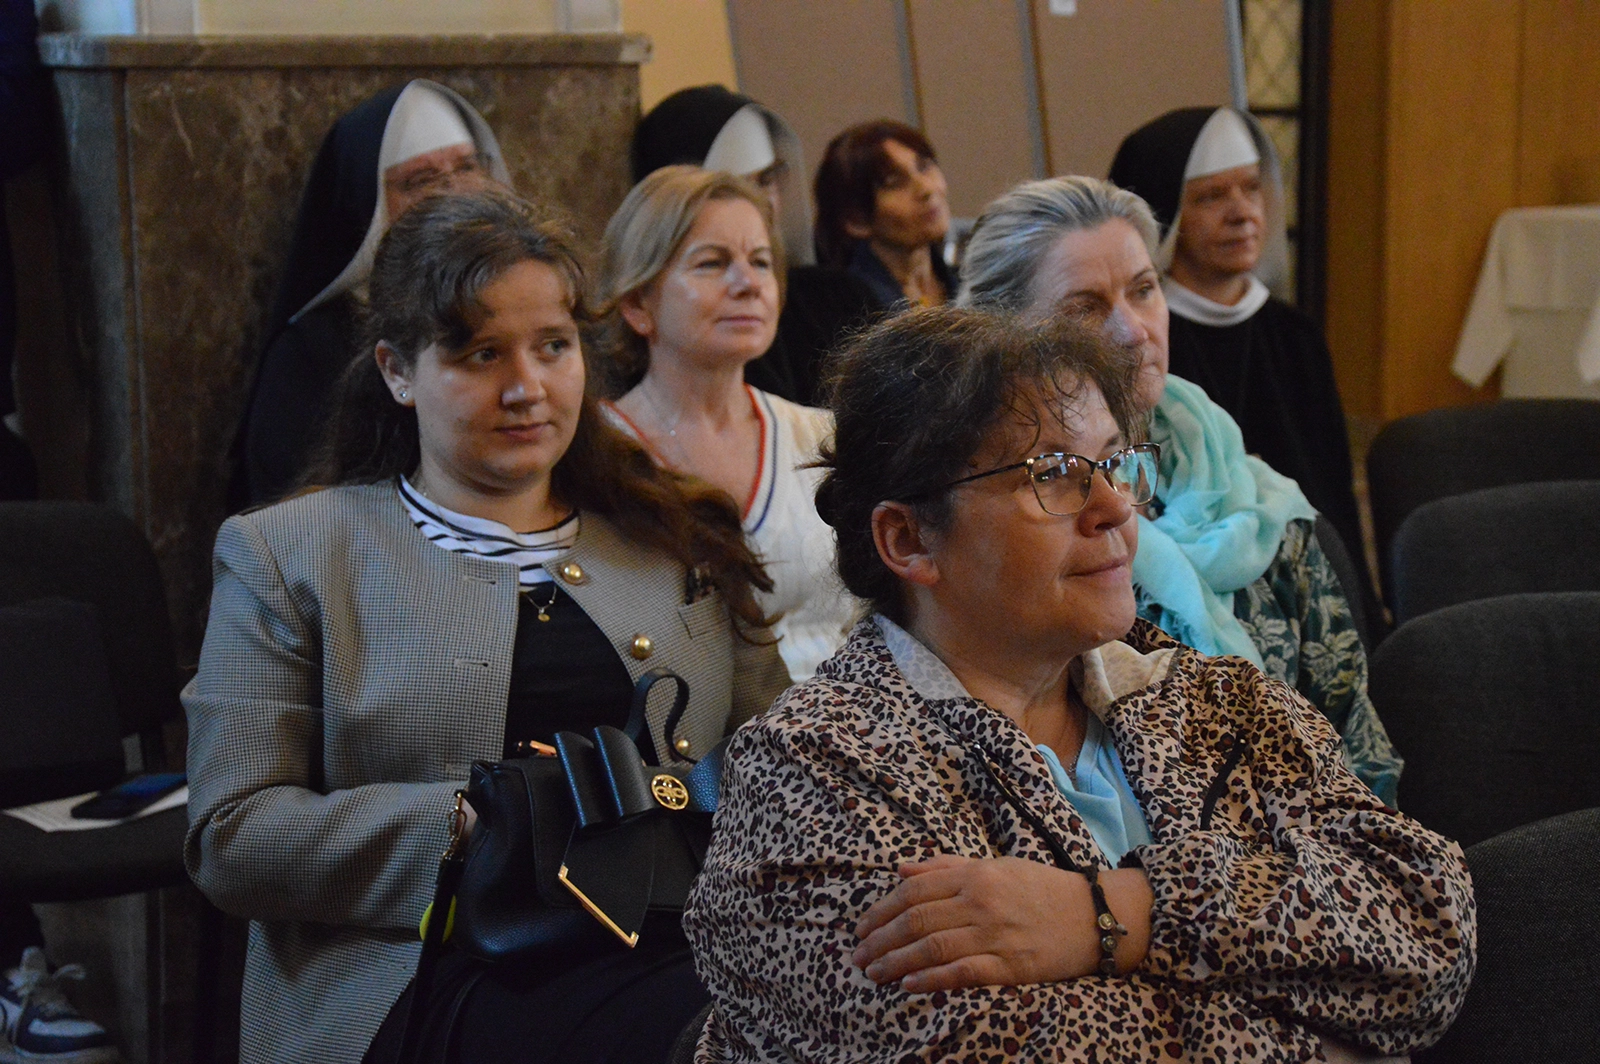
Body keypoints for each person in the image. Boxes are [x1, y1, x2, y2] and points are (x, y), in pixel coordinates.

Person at [684, 306, 1475, 1062]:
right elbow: (972, 1051)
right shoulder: (811, 773)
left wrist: (1118, 912)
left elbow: (1426, 924)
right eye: (1055, 474)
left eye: (1116, 464)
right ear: (908, 539)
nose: (1114, 508)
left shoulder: (1219, 700)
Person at [184, 189, 790, 1064]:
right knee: (711, 1033)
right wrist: (476, 824)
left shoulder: (678, 537)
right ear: (397, 371)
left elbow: (779, 759)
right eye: (480, 354)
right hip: (424, 962)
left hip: (685, 928)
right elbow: (232, 836)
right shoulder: (290, 556)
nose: (527, 388)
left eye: (553, 346)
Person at [957, 176, 1402, 805]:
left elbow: (1359, 759)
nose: (1135, 331)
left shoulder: (1262, 508)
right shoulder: (987, 520)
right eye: (1085, 309)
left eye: (1144, 290)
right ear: (1000, 333)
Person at [593, 165, 859, 682]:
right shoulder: (595, 453)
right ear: (637, 303)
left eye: (760, 262)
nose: (748, 284)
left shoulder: (823, 438)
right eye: (712, 263)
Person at [233, 79, 508, 506]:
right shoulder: (313, 350)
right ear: (371, 207)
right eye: (422, 180)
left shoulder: (528, 308)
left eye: (467, 167)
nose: (457, 194)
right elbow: (294, 513)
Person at [1109, 107, 1365, 566]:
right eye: (1211, 197)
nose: (1241, 213)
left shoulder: (1296, 335)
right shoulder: (1140, 341)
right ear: (1165, 215)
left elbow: (1334, 497)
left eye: (1251, 188)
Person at [632, 85, 876, 406]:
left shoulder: (841, 299)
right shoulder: (655, 354)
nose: (762, 203)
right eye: (733, 185)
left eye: (766, 180)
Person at [814, 119, 954, 313]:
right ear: (856, 220)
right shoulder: (846, 308)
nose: (926, 189)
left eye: (924, 167)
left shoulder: (968, 282)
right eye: (895, 183)